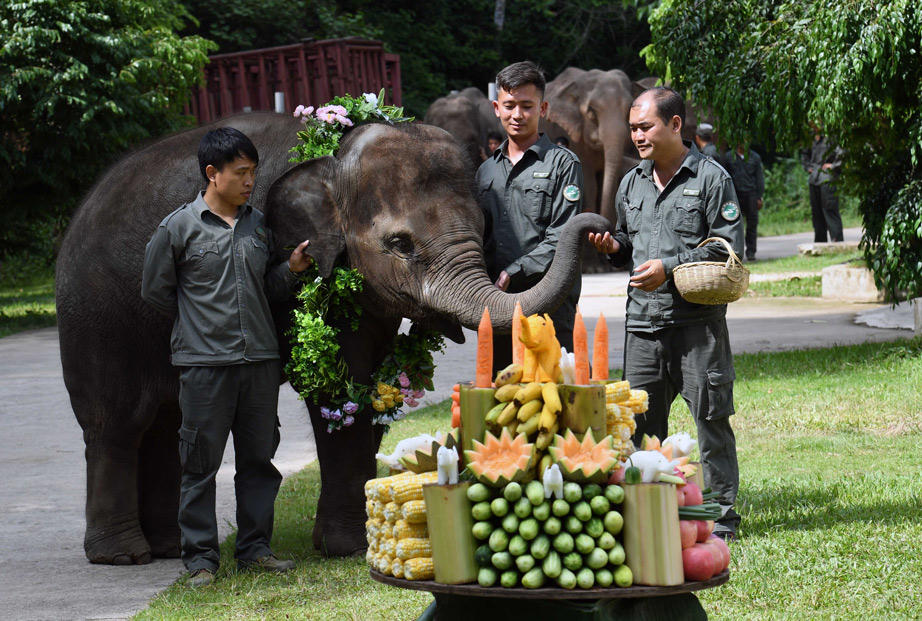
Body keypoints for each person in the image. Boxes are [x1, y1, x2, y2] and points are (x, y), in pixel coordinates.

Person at [141, 127, 313, 587]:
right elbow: (155, 291)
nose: (250, 181)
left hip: (259, 362)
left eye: (253, 172)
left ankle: (255, 550)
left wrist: (291, 271)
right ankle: (200, 559)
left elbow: (267, 290)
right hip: (203, 367)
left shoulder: (259, 226)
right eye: (241, 173)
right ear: (212, 174)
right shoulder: (178, 227)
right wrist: (199, 324)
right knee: (200, 466)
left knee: (259, 462)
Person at [588, 87, 744, 541]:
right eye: (634, 128)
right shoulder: (631, 182)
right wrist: (613, 247)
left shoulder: (712, 179)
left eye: (645, 127)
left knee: (711, 424)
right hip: (642, 326)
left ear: (675, 125)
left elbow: (725, 247)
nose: (637, 136)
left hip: (697, 327)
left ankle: (718, 521)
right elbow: (626, 243)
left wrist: (671, 269)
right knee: (639, 429)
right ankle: (645, 514)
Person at [476, 61, 583, 370]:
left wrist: (514, 270)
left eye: (527, 105)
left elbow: (563, 236)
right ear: (497, 107)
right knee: (502, 400)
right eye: (509, 105)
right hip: (496, 305)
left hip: (549, 305)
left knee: (551, 403)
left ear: (543, 108)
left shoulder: (564, 164)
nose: (517, 115)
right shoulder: (485, 171)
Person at [801, 125, 844, 242]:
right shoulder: (810, 138)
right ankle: (820, 243)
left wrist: (833, 166)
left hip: (827, 179)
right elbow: (804, 154)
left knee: (830, 210)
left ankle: (837, 241)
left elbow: (842, 152)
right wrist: (808, 167)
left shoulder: (831, 137)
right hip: (814, 179)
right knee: (817, 213)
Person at [723, 144, 764, 261]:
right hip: (734, 196)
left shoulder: (755, 157)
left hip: (751, 194)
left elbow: (759, 178)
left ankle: (751, 252)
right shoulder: (728, 157)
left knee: (752, 225)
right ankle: (735, 252)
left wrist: (759, 197)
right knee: (734, 225)